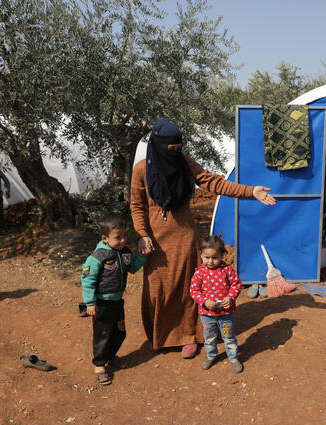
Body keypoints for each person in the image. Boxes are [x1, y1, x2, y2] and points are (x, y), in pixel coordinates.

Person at [130, 118, 276, 359]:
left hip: (185, 237)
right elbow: (136, 206)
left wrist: (250, 191)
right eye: (171, 149)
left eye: (179, 148)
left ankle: (189, 336)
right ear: (157, 145)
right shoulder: (141, 170)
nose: (176, 153)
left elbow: (214, 183)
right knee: (158, 290)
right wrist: (143, 235)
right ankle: (161, 336)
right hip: (155, 241)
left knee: (188, 288)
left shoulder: (185, 164)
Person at [80, 213, 146, 385]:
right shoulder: (97, 257)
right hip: (101, 304)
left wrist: (142, 255)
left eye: (125, 236)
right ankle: (100, 364)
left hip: (117, 302)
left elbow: (132, 268)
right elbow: (87, 280)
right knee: (102, 334)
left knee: (119, 332)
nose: (123, 240)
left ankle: (111, 356)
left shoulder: (124, 252)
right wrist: (91, 302)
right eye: (118, 237)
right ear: (105, 238)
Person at [190, 235, 243, 373]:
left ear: (222, 255)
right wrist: (205, 301)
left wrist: (231, 297)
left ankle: (233, 357)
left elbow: (236, 285)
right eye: (207, 257)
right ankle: (211, 355)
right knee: (209, 337)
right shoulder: (199, 273)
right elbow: (194, 291)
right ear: (201, 255)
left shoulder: (227, 270)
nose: (211, 261)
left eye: (215, 257)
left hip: (226, 313)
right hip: (207, 314)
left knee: (229, 337)